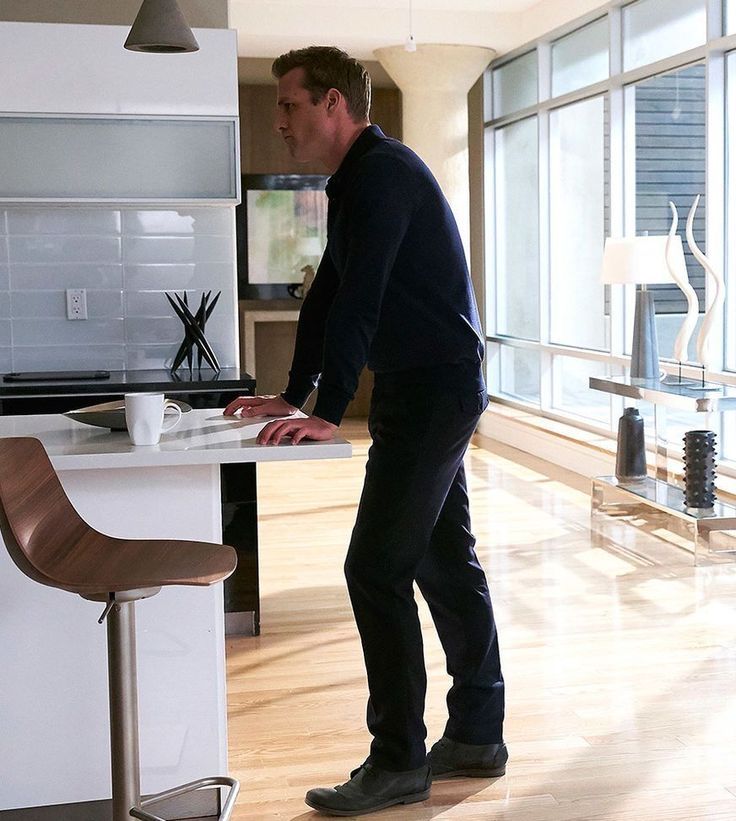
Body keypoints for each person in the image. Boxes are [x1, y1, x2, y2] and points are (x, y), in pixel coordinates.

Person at [224, 46, 505, 817]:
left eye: (290, 106)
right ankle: (478, 732)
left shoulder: (382, 175)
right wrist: (290, 393)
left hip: (435, 391)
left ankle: (397, 760)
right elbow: (330, 294)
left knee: (374, 567)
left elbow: (365, 298)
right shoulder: (356, 182)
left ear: (335, 107)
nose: (280, 121)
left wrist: (328, 403)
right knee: (444, 562)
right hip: (423, 389)